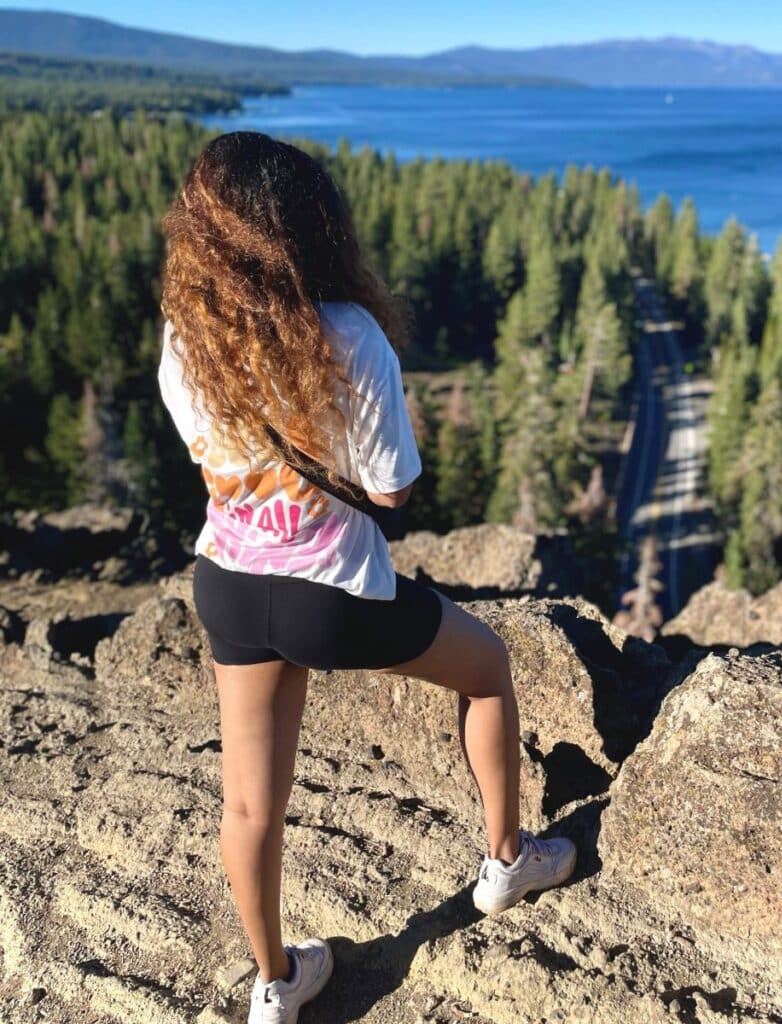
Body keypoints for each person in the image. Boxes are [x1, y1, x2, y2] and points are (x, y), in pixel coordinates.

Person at [157, 131, 576, 1024]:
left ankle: (275, 983)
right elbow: (391, 490)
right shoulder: (348, 336)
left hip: (227, 579)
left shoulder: (185, 336)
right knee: (489, 669)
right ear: (308, 229)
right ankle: (509, 861)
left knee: (248, 801)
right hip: (334, 600)